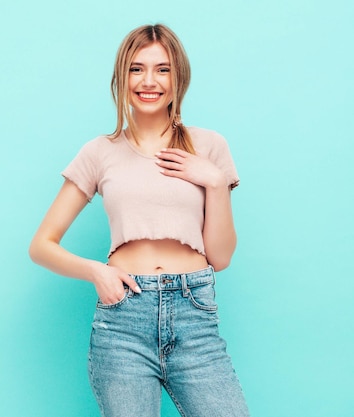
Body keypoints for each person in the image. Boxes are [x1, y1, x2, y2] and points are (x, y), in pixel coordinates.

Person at [29, 24, 250, 417]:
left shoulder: (210, 146)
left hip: (194, 313)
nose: (149, 81)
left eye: (162, 69)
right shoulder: (100, 151)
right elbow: (41, 245)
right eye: (137, 69)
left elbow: (221, 257)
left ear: (178, 76)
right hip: (124, 320)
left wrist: (215, 182)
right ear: (121, 77)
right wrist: (97, 272)